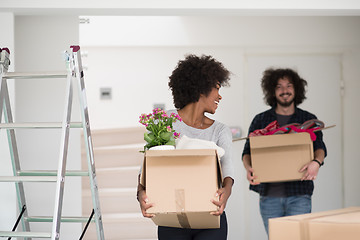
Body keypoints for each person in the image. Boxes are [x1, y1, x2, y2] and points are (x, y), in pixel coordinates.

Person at [137, 54, 235, 240]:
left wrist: (226, 193)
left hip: (211, 219)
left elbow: (228, 170)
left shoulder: (220, 131)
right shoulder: (165, 121)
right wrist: (140, 193)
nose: (219, 96)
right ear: (201, 89)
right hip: (171, 219)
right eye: (216, 88)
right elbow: (147, 166)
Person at [242, 68, 327, 235]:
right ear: (273, 91)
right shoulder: (260, 120)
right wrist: (249, 168)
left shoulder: (308, 120)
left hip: (299, 194)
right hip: (269, 197)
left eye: (289, 86)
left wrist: (316, 163)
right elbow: (247, 152)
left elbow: (320, 148)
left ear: (296, 89)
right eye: (279, 87)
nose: (285, 91)